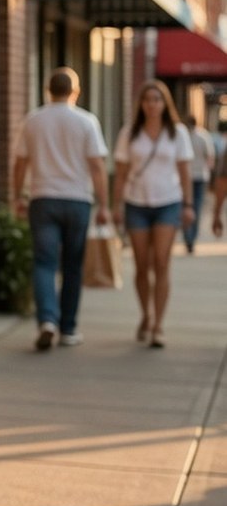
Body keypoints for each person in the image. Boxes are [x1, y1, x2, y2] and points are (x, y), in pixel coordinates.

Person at [11, 67, 110, 351]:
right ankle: (68, 329)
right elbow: (97, 166)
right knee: (72, 267)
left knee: (44, 263)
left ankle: (47, 320)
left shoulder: (33, 120)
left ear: (48, 90)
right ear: (75, 92)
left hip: (42, 199)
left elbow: (20, 163)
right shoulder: (87, 121)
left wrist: (17, 197)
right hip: (78, 201)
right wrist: (104, 204)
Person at [112, 79, 194, 349]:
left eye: (157, 100)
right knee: (141, 265)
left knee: (161, 262)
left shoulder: (177, 133)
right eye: (147, 100)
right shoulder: (130, 132)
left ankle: (158, 324)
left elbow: (184, 171)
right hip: (136, 203)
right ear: (141, 104)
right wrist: (115, 206)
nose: (152, 104)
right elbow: (120, 173)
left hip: (168, 203)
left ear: (164, 103)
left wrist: (188, 205)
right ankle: (145, 315)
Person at [183, 114, 216, 253]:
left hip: (188, 177)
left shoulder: (184, 136)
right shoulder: (203, 136)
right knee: (196, 207)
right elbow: (210, 157)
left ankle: (188, 237)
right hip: (199, 176)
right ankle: (191, 238)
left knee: (186, 207)